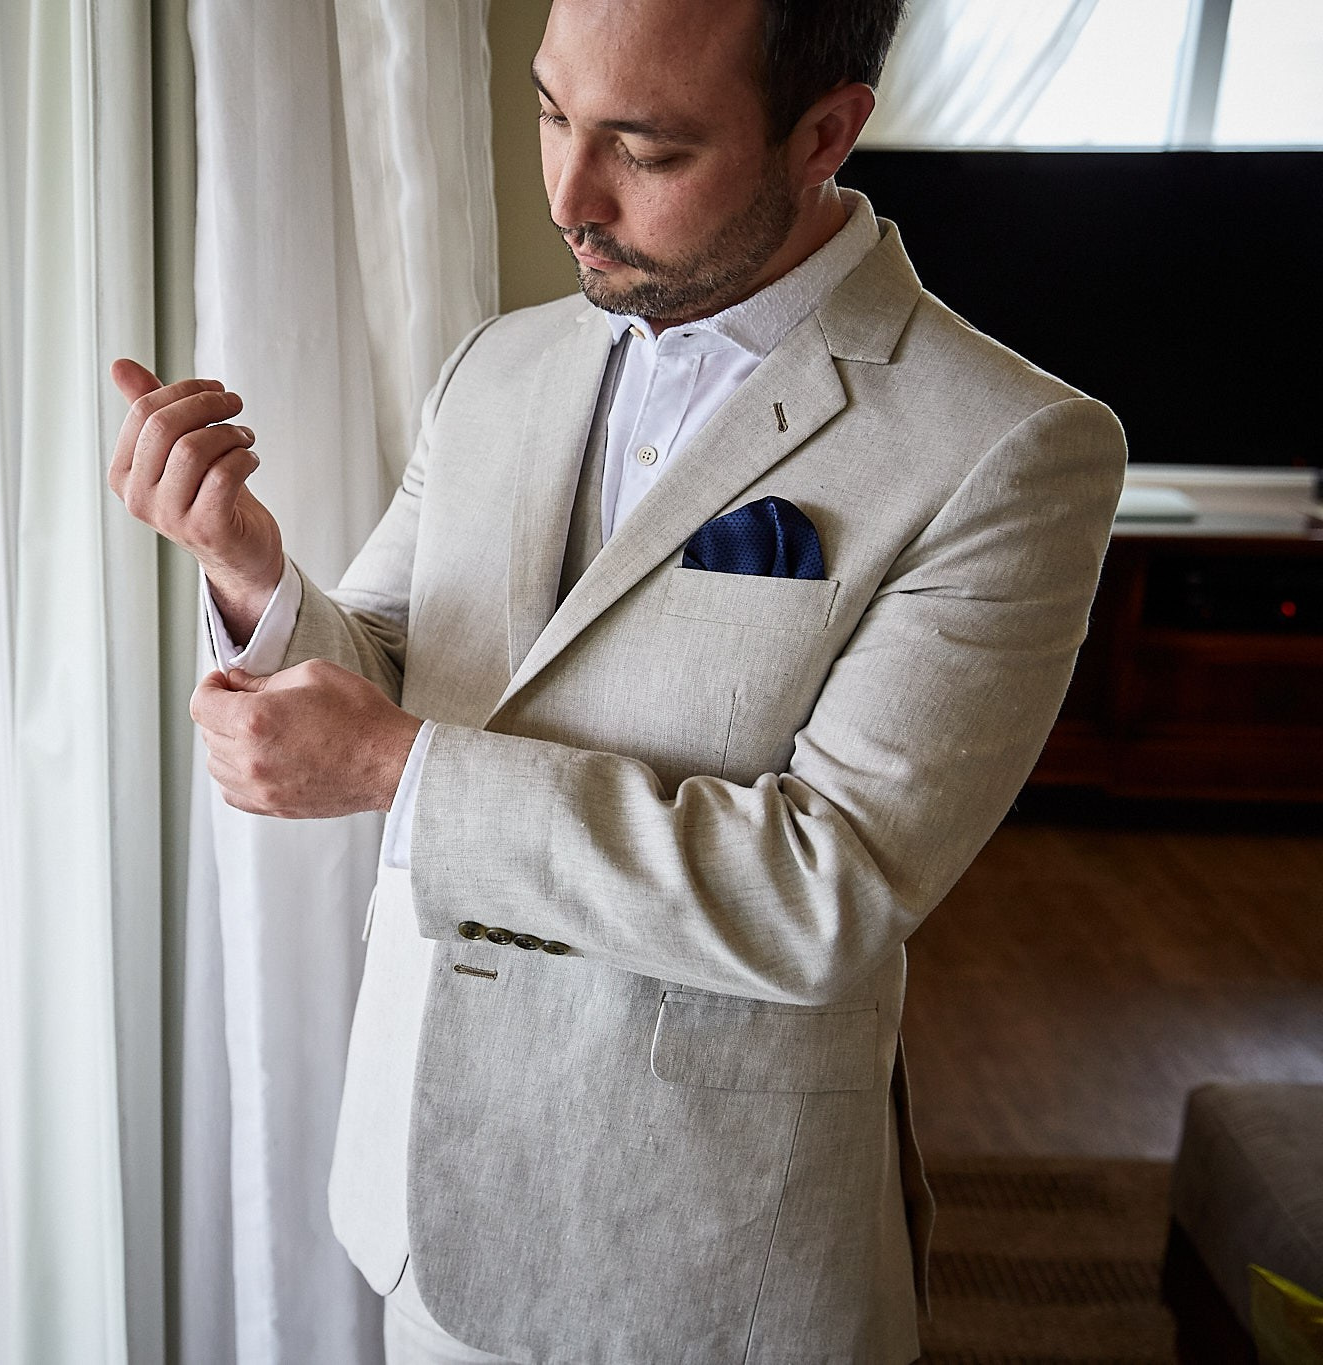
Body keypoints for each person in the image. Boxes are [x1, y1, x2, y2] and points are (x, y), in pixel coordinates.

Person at [107, 0, 1125, 1358]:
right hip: (419, 1198)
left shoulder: (1013, 448)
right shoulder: (494, 365)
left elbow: (826, 888)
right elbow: (402, 671)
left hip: (709, 1258)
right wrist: (247, 571)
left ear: (825, 132)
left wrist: (397, 771)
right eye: (549, 113)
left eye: (643, 149)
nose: (569, 197)